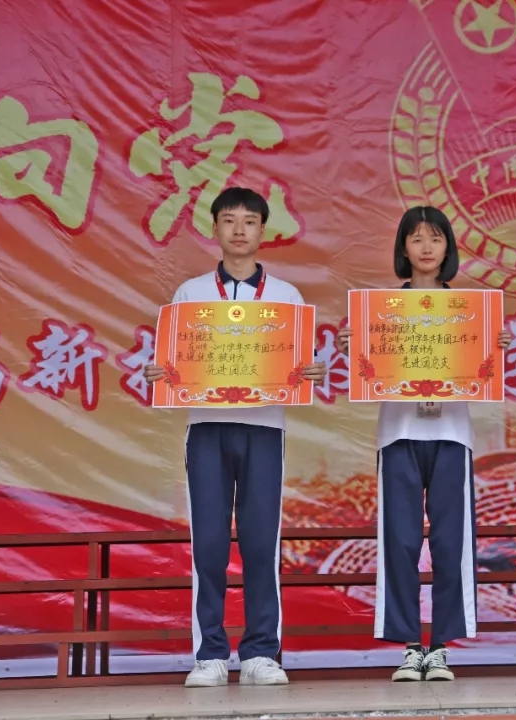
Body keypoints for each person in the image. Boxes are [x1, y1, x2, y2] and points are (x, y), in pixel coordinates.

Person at [143, 186, 327, 687]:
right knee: (208, 542)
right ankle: (209, 654)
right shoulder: (190, 294)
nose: (239, 229)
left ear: (263, 230)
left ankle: (261, 652)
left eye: (249, 221)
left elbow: (300, 361)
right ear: (215, 228)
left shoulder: (286, 296)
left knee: (261, 541)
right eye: (230, 220)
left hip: (264, 427)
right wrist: (162, 373)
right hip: (205, 427)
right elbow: (174, 360)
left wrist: (308, 370)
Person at [336, 206, 510, 682]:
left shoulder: (471, 312)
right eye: (416, 238)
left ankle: (442, 647)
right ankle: (410, 646)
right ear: (403, 248)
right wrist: (355, 344)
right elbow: (367, 365)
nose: (427, 247)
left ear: (448, 247)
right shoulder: (380, 312)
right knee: (401, 539)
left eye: (436, 238)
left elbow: (484, 365)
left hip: (452, 434)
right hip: (399, 433)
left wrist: (494, 345)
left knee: (451, 542)